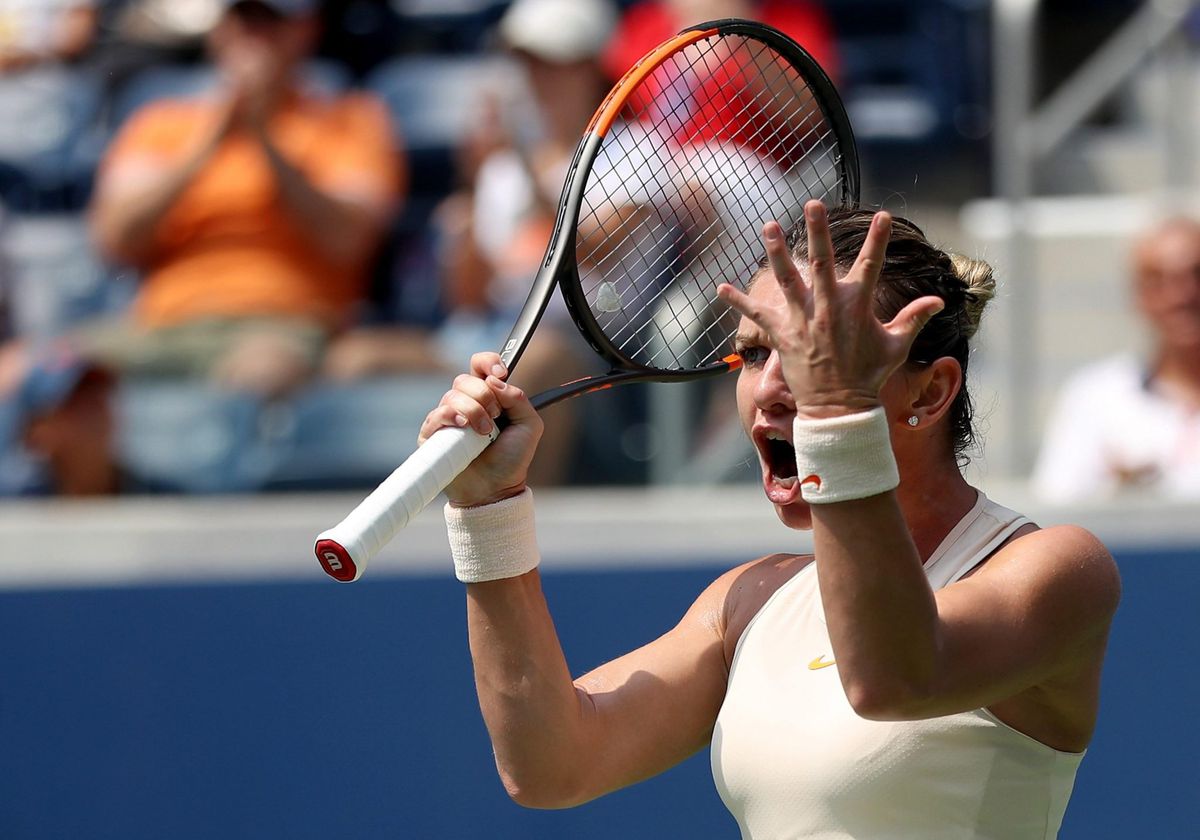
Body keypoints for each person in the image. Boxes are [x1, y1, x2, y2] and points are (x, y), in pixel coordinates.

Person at [417, 202, 1119, 836]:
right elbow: (551, 766)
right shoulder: (747, 602)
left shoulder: (1055, 571)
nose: (776, 386)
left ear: (932, 392)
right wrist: (488, 512)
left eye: (818, 354)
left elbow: (891, 678)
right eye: (755, 353)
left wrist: (837, 413)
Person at [0, 0, 403, 494]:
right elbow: (115, 238)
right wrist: (211, 140)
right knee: (37, 371)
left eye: (268, 25)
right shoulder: (163, 123)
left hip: (282, 325)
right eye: (241, 22)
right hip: (162, 327)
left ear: (304, 32)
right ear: (220, 34)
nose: (252, 38)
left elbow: (348, 237)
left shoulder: (352, 119)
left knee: (254, 380)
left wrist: (263, 139)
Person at [1033, 215, 1200, 502]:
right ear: (1137, 295)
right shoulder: (1095, 396)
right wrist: (1115, 492)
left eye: (1196, 274)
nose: (1181, 295)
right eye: (1157, 280)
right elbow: (1056, 510)